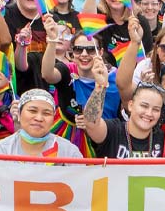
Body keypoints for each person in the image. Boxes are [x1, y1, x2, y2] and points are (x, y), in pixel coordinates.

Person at [41, 19, 121, 156]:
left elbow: (117, 113)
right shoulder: (67, 70)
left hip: (103, 139)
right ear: (72, 53)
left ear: (100, 52)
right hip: (66, 137)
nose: (84, 54)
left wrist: (92, 123)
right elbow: (47, 74)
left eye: (90, 50)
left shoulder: (113, 76)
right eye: (78, 49)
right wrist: (52, 41)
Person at [83, 75, 165, 158]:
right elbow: (91, 122)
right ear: (131, 105)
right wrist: (100, 86)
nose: (149, 113)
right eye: (144, 106)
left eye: (156, 109)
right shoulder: (113, 131)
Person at [82, 0, 153, 65]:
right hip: (104, 71)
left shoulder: (139, 21)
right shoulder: (99, 18)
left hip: (132, 74)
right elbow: (88, 21)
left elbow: (146, 55)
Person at [0, 89, 81, 159]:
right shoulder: (1, 150)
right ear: (19, 114)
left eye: (46, 113)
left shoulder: (69, 152)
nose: (39, 118)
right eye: (32, 111)